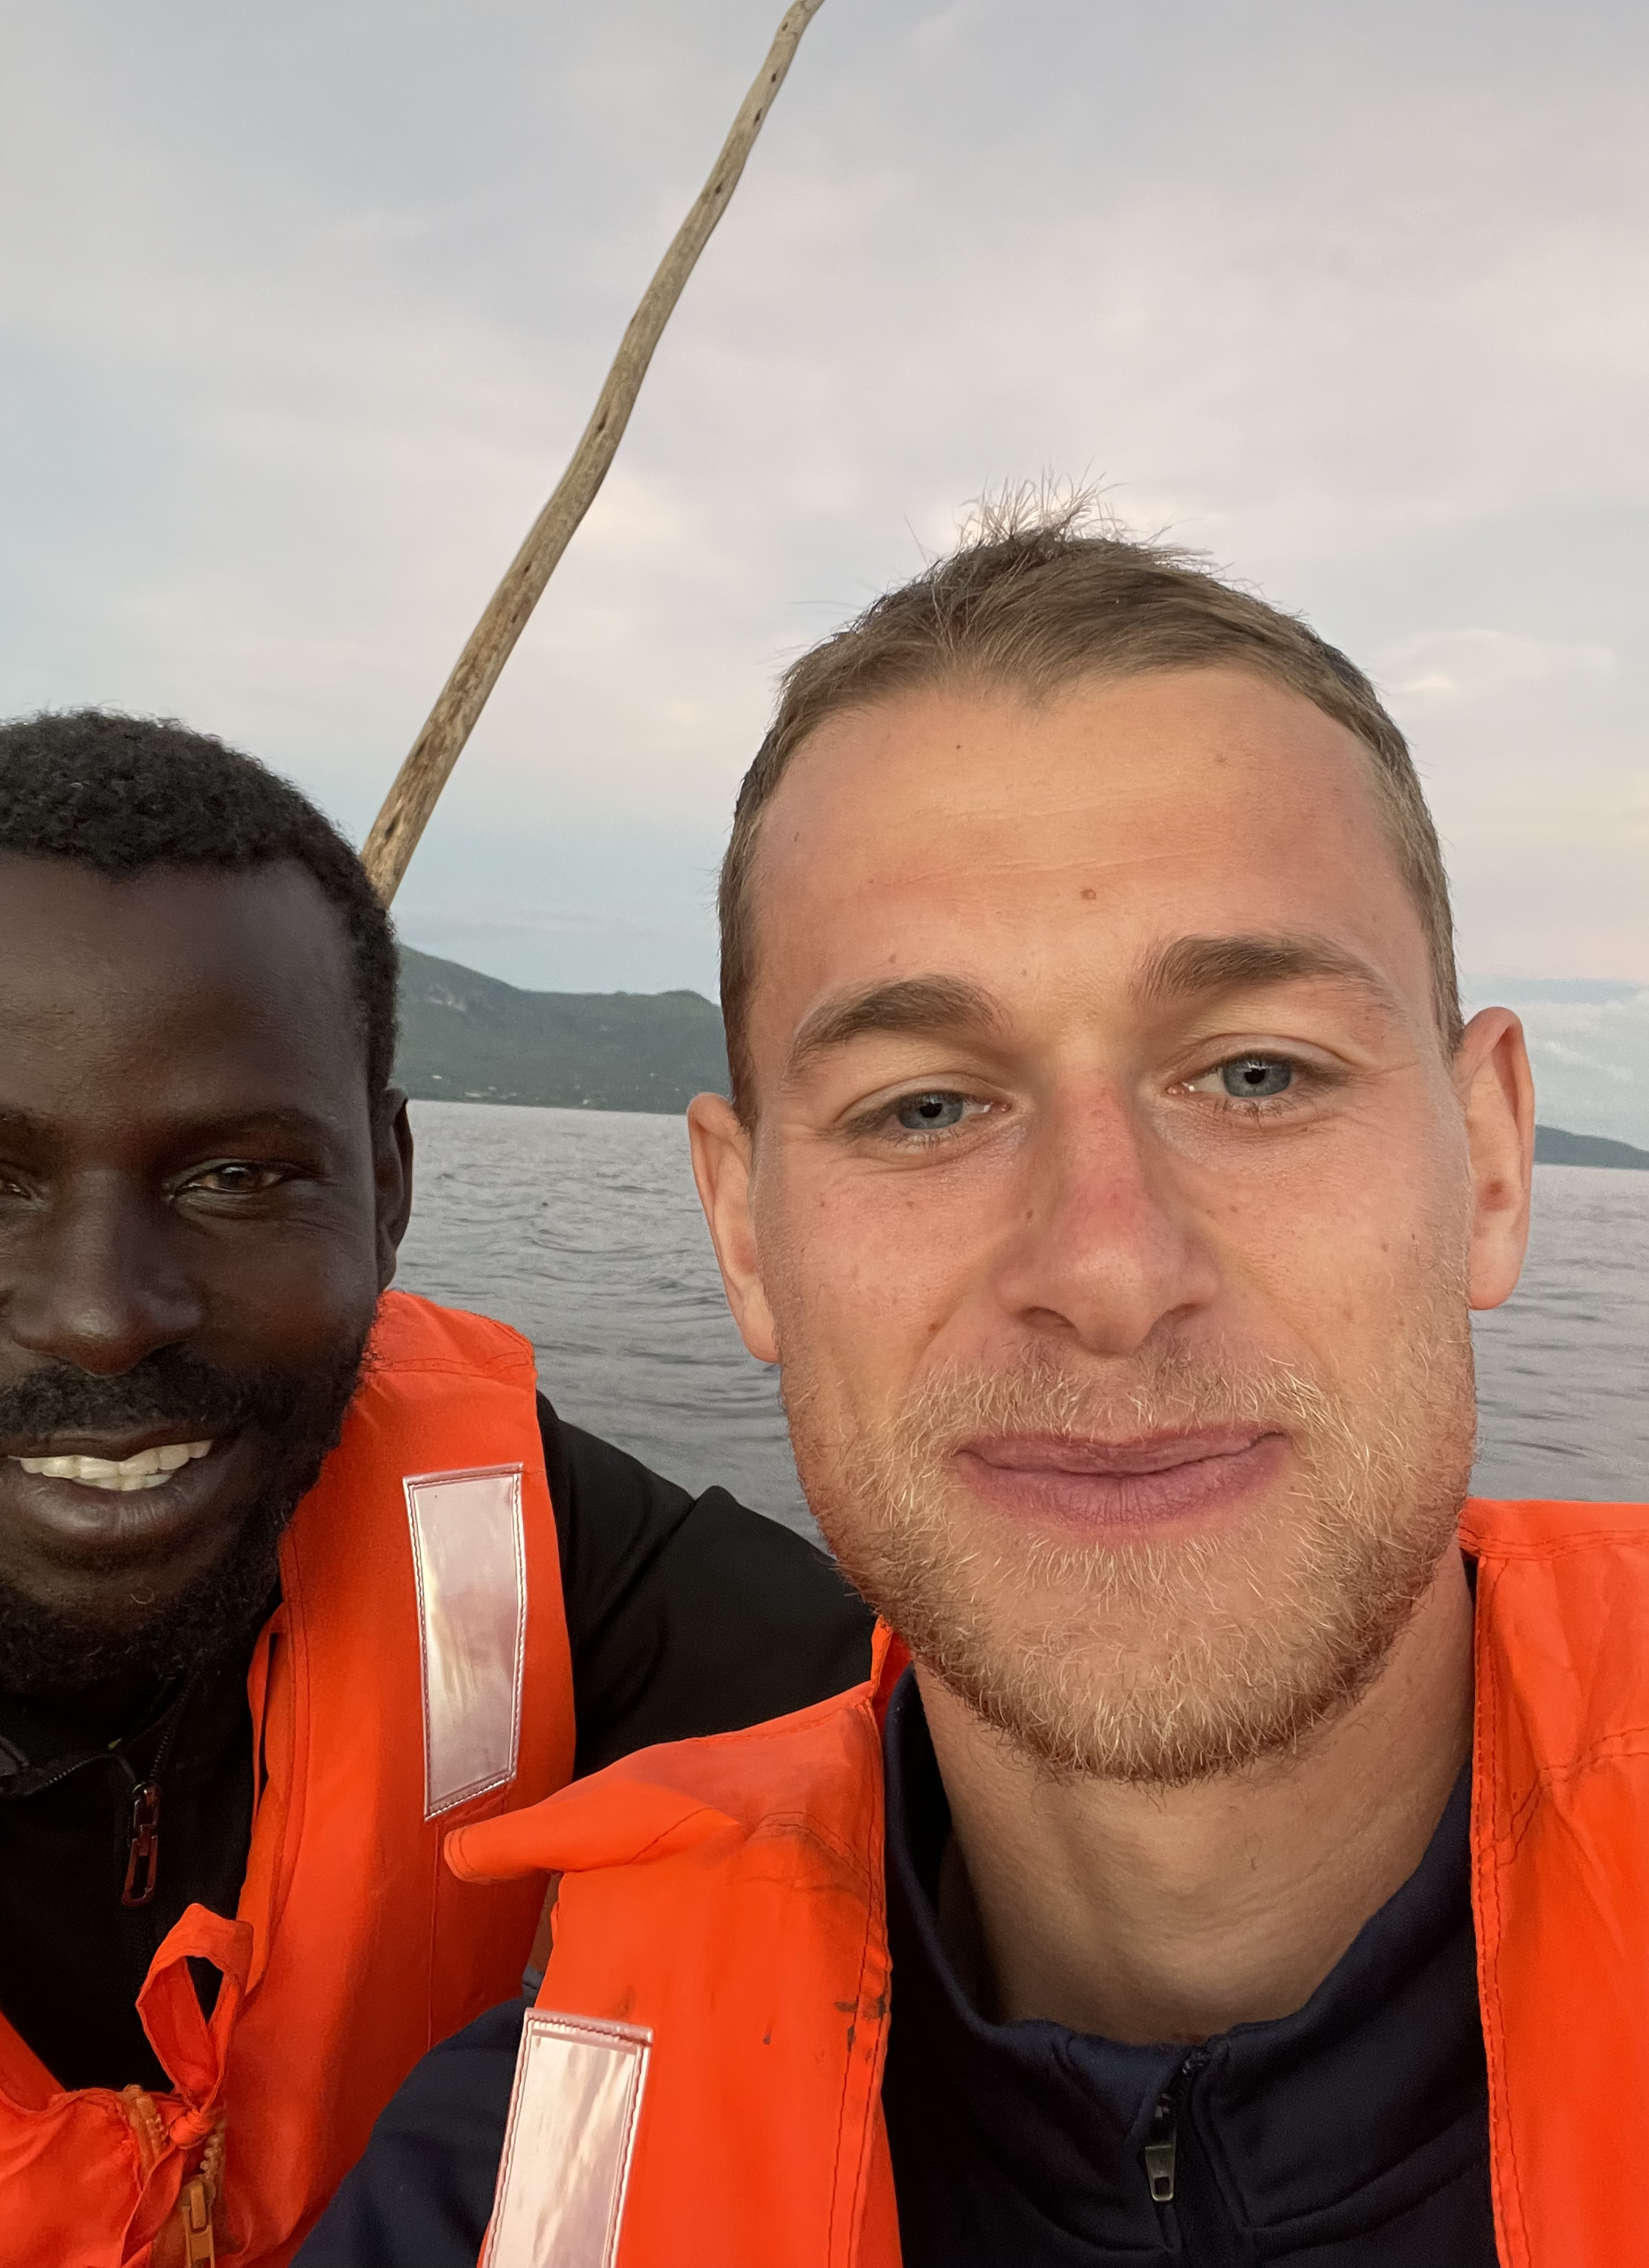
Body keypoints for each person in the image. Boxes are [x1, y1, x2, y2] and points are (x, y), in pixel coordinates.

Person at [303, 500, 1647, 2268]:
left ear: (1487, 1161)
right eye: (927, 1105)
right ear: (747, 1231)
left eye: (1254, 1071)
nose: (1104, 1268)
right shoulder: (509, 2191)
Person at [0, 709, 873, 2268]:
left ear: (389, 1191)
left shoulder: (534, 1548)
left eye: (237, 1175)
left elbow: (1011, 1758)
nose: (104, 1315)